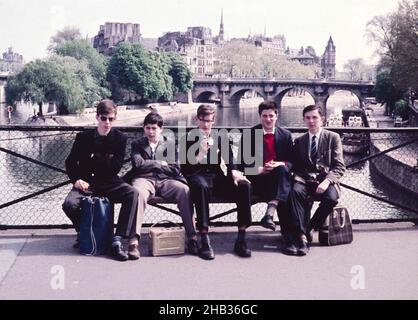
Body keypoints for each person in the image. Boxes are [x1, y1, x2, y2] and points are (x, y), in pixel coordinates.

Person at [62, 99, 140, 262]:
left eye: (110, 119)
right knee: (69, 204)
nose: (107, 122)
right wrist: (76, 180)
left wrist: (93, 158)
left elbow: (115, 168)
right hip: (87, 182)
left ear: (115, 119)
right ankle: (84, 231)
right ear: (97, 117)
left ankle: (117, 239)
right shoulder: (83, 137)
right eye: (103, 118)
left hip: (110, 181)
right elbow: (70, 162)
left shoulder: (120, 138)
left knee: (132, 194)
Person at [180, 104, 252, 260]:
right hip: (196, 175)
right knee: (201, 187)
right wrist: (201, 152)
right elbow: (185, 168)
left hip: (216, 176)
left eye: (209, 121)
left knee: (244, 186)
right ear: (196, 119)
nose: (206, 125)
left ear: (214, 120)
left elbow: (230, 158)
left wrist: (234, 172)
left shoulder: (219, 136)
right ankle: (204, 239)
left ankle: (241, 238)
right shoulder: (187, 138)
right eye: (202, 120)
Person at [124, 112, 199, 256]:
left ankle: (192, 237)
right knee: (137, 193)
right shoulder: (137, 144)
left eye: (154, 128)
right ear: (144, 128)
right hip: (144, 179)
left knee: (184, 190)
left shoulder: (169, 144)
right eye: (147, 128)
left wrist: (151, 165)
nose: (151, 131)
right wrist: (159, 163)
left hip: (166, 180)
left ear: (161, 129)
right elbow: (138, 165)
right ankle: (133, 242)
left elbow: (175, 168)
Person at [231, 100, 294, 243]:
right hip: (257, 179)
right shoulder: (249, 134)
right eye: (264, 116)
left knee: (282, 172)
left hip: (277, 178)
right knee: (283, 188)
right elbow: (242, 163)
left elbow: (291, 162)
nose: (268, 119)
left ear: (276, 116)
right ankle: (278, 226)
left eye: (271, 116)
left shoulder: (285, 135)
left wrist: (279, 163)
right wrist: (260, 169)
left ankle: (277, 224)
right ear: (260, 117)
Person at [287, 104, 345, 256]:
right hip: (306, 181)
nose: (311, 121)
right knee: (295, 193)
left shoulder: (333, 138)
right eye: (308, 118)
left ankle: (309, 228)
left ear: (322, 119)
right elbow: (295, 165)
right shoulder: (300, 141)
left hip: (325, 180)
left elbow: (339, 166)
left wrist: (326, 181)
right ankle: (302, 238)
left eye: (315, 117)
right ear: (304, 120)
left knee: (332, 198)